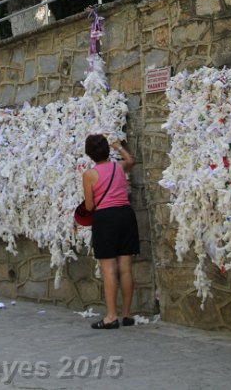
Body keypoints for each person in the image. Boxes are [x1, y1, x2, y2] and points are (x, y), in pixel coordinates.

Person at [81, 133, 139, 329]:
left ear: (89, 154)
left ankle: (111, 316)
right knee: (125, 267)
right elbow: (132, 160)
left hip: (106, 219)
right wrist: (118, 146)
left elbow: (89, 206)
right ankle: (127, 314)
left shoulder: (89, 175)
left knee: (109, 270)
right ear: (106, 150)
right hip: (126, 215)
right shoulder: (119, 166)